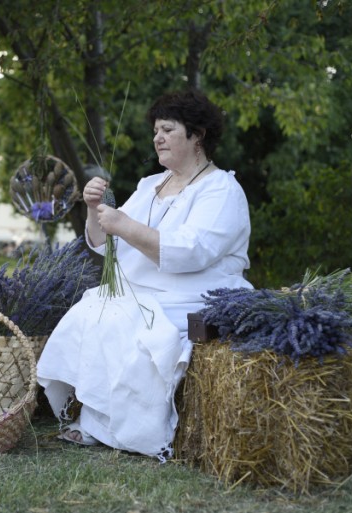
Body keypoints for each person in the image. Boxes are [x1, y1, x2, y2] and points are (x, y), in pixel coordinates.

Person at [36, 89, 253, 460]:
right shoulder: (148, 187)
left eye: (168, 129)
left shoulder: (221, 189)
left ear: (197, 134)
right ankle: (92, 419)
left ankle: (132, 432)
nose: (157, 138)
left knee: (133, 327)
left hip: (193, 294)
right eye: (156, 130)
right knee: (93, 312)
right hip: (141, 291)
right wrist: (94, 209)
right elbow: (106, 246)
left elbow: (191, 251)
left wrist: (123, 224)